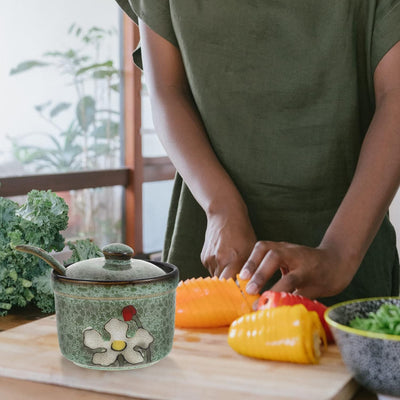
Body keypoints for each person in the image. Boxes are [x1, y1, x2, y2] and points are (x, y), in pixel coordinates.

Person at [115, 0, 400, 306]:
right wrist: (220, 206)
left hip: (352, 243)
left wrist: (340, 253)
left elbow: (395, 95)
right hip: (212, 248)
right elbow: (167, 90)